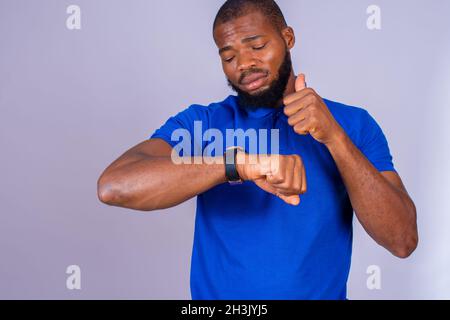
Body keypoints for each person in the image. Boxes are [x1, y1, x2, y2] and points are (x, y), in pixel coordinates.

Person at [97, 0, 418, 300]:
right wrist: (236, 165)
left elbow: (402, 240)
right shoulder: (204, 124)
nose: (245, 65)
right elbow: (114, 186)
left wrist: (334, 136)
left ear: (287, 37)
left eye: (257, 46)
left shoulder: (352, 124)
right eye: (228, 56)